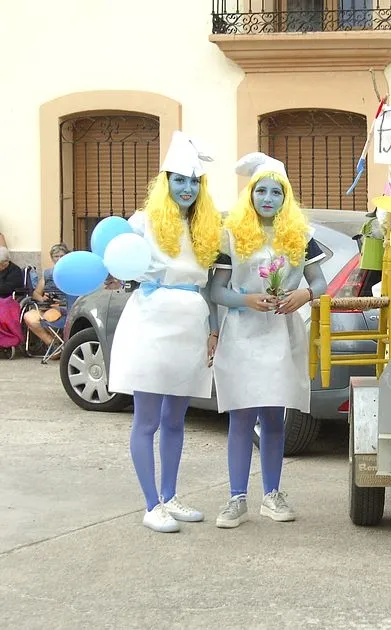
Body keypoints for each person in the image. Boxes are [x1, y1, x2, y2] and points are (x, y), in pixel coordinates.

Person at [108, 131, 222, 533]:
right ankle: (151, 504)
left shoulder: (206, 227)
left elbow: (208, 287)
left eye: (194, 181)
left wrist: (213, 330)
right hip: (151, 323)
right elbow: (122, 263)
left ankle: (170, 496)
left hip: (190, 325)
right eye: (180, 180)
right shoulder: (143, 223)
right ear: (166, 182)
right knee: (147, 420)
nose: (187, 188)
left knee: (176, 418)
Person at [209, 152, 327, 529]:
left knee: (275, 417)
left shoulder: (301, 236)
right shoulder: (230, 235)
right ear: (250, 194)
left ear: (286, 197)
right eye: (261, 190)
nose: (268, 198)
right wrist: (246, 300)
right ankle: (236, 498)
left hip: (281, 334)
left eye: (276, 192)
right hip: (242, 335)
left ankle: (272, 495)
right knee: (241, 415)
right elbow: (216, 290)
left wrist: (303, 295)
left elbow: (320, 283)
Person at [22, 243, 70, 356]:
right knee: (29, 317)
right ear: (52, 258)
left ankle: (57, 347)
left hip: (62, 306)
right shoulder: (48, 273)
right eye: (56, 256)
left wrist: (62, 303)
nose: (59, 259)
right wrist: (42, 298)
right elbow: (36, 293)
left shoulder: (71, 273)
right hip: (47, 305)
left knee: (48, 317)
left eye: (62, 256)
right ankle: (53, 344)